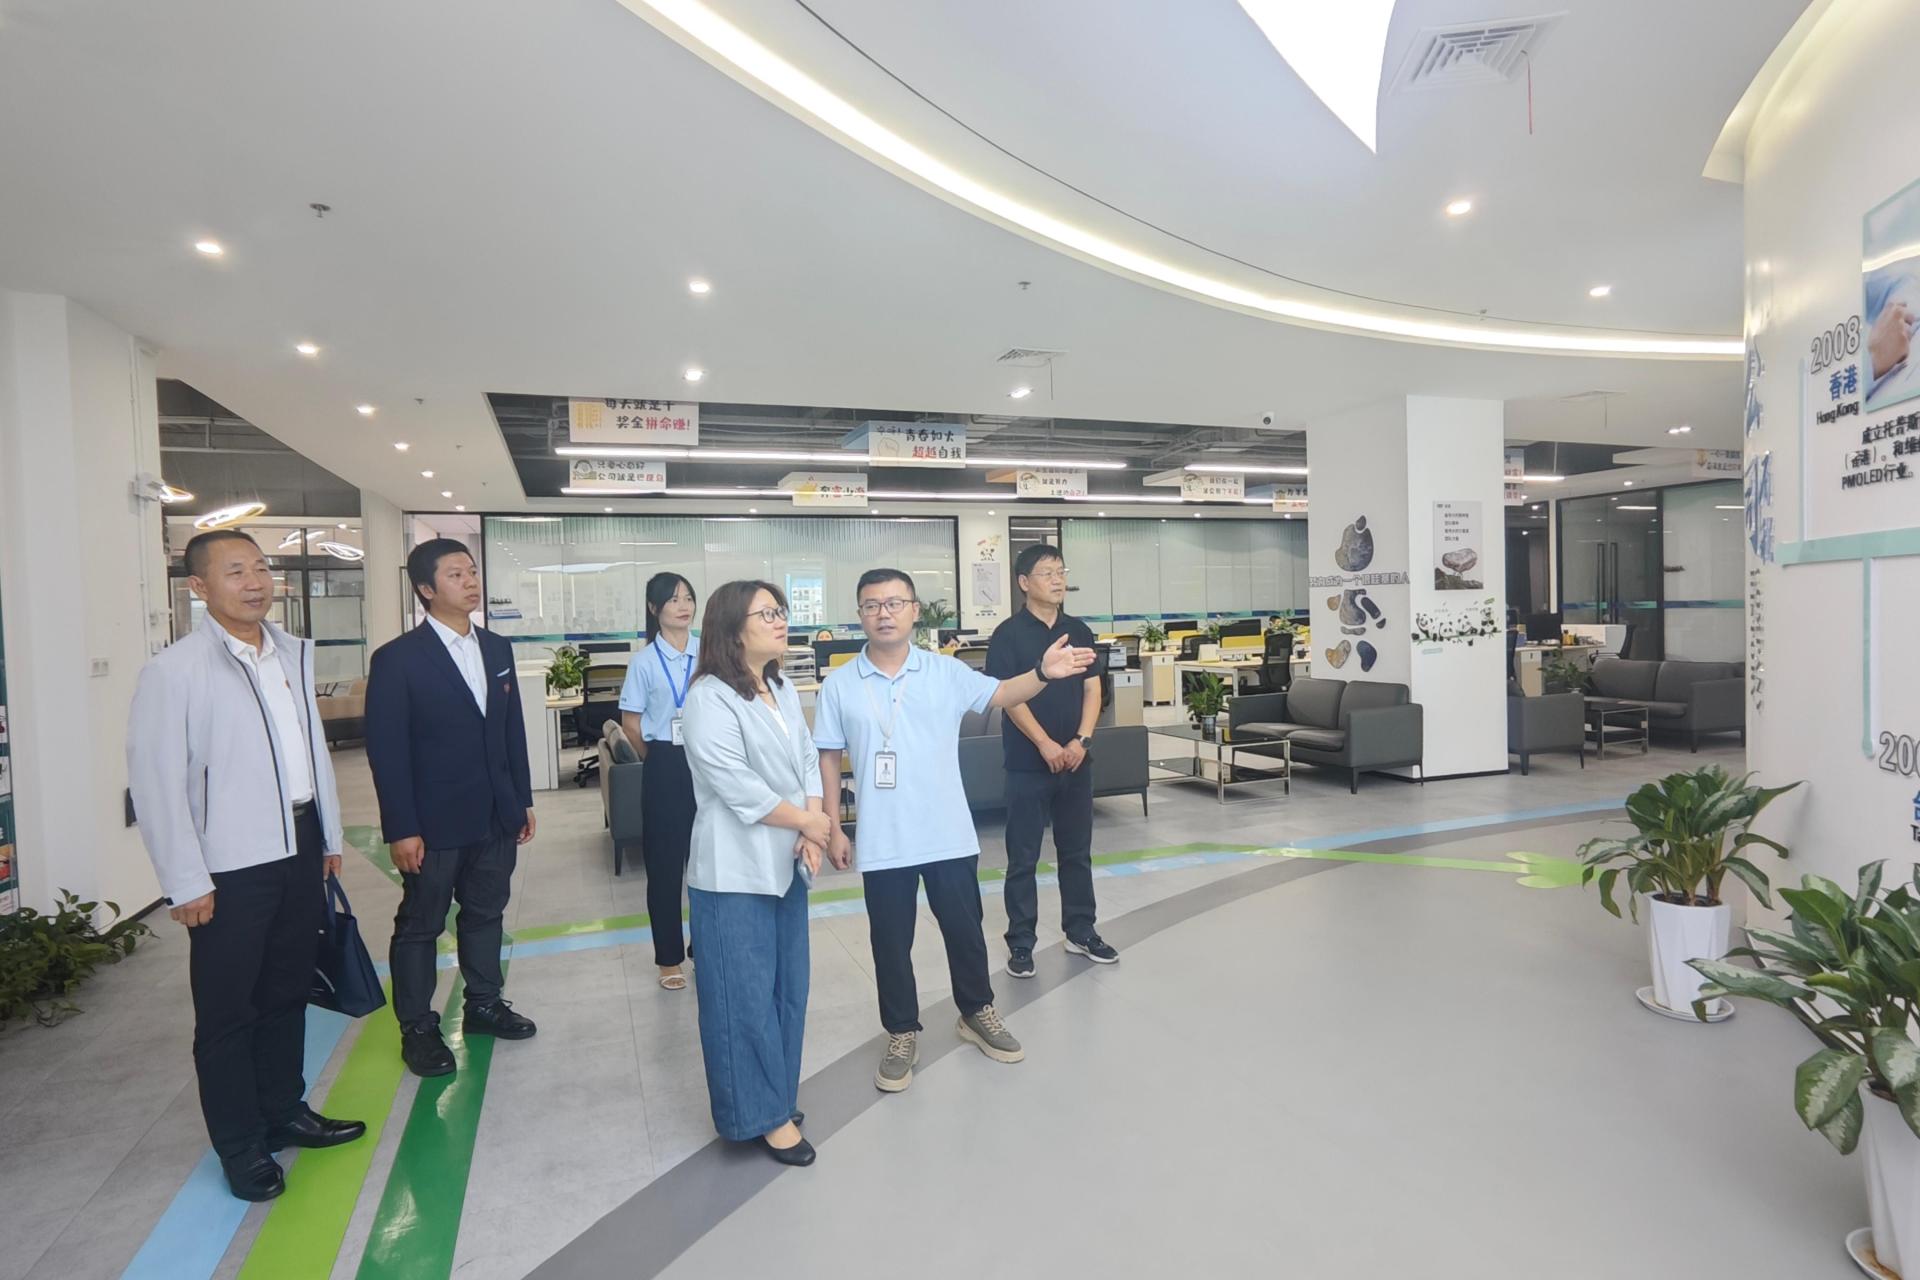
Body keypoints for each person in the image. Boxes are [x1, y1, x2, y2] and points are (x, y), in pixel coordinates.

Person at [127, 530, 365, 1202]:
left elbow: (309, 756)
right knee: (228, 1009)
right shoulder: (175, 672)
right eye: (235, 571)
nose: (255, 582)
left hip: (298, 843)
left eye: (260, 567)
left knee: (287, 989)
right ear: (199, 587)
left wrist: (328, 835)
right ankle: (240, 1145)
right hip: (228, 865)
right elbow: (156, 785)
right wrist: (185, 879)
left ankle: (284, 1110)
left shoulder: (288, 653)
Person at [813, 568, 1095, 1093]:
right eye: (872, 605)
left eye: (895, 603)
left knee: (964, 931)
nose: (884, 613)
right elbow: (828, 757)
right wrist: (833, 827)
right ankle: (901, 1031)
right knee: (890, 942)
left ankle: (976, 1011)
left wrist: (1043, 672)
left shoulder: (944, 671)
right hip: (884, 838)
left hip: (946, 831)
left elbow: (1003, 692)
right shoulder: (840, 685)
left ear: (915, 611)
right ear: (860, 615)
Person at [366, 539, 537, 1078]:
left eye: (472, 571)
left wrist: (521, 799)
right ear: (425, 588)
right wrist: (402, 827)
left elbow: (511, 731)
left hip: (494, 815)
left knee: (486, 914)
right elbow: (387, 751)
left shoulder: (497, 649)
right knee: (421, 924)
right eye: (455, 574)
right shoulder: (397, 659)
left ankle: (483, 1004)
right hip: (432, 822)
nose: (470, 581)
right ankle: (418, 1028)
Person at [680, 581, 828, 1166]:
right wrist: (810, 823)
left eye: (780, 611)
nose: (780, 620)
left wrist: (812, 825)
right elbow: (735, 784)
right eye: (767, 613)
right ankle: (757, 1116)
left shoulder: (780, 686)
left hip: (787, 861)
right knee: (740, 998)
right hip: (732, 872)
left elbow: (808, 759)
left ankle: (778, 1097)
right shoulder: (708, 697)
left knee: (788, 990)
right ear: (732, 627)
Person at [987, 544, 1117, 980]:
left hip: (1077, 762)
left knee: (1076, 853)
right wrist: (1044, 743)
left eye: (1061, 571)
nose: (1058, 580)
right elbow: (1008, 697)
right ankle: (1021, 942)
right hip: (1027, 763)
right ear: (1024, 582)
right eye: (1047, 573)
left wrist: (1081, 740)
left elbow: (1093, 689)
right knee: (1023, 857)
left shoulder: (1079, 630)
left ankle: (1081, 931)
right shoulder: (1007, 635)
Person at [618, 572, 700, 990]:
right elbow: (631, 724)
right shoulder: (644, 662)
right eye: (673, 600)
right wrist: (659, 759)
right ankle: (669, 959)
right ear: (654, 609)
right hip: (665, 762)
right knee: (666, 867)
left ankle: (703, 946)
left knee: (708, 862)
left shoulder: (710, 653)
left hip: (708, 762)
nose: (683, 606)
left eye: (688, 598)